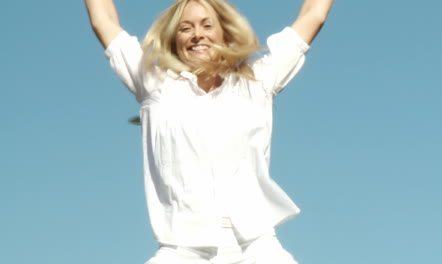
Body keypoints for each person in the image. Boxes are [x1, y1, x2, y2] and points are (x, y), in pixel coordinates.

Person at [84, 0, 334, 263]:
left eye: (207, 25)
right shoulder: (155, 86)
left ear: (225, 35)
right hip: (181, 250)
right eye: (185, 28)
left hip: (256, 248)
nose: (197, 35)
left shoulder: (256, 83)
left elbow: (314, 14)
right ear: (174, 40)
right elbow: (103, 20)